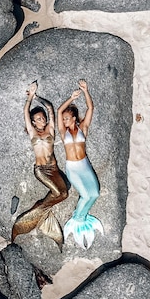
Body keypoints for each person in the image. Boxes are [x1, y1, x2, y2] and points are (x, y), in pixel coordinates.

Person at [12, 81, 68, 248]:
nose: (42, 119)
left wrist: (38, 98)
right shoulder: (32, 132)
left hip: (54, 169)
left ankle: (39, 211)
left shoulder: (50, 130)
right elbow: (25, 111)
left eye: (43, 118)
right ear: (33, 122)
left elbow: (50, 108)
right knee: (60, 194)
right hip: (41, 170)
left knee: (63, 194)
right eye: (38, 118)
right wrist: (30, 98)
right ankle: (35, 214)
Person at [57, 79, 103, 249]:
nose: (65, 121)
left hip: (85, 165)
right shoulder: (63, 133)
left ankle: (81, 218)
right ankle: (78, 219)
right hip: (73, 168)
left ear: (74, 118)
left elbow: (91, 108)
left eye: (67, 119)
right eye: (64, 119)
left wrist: (85, 91)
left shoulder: (83, 128)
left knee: (95, 194)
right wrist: (71, 98)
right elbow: (59, 110)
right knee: (85, 195)